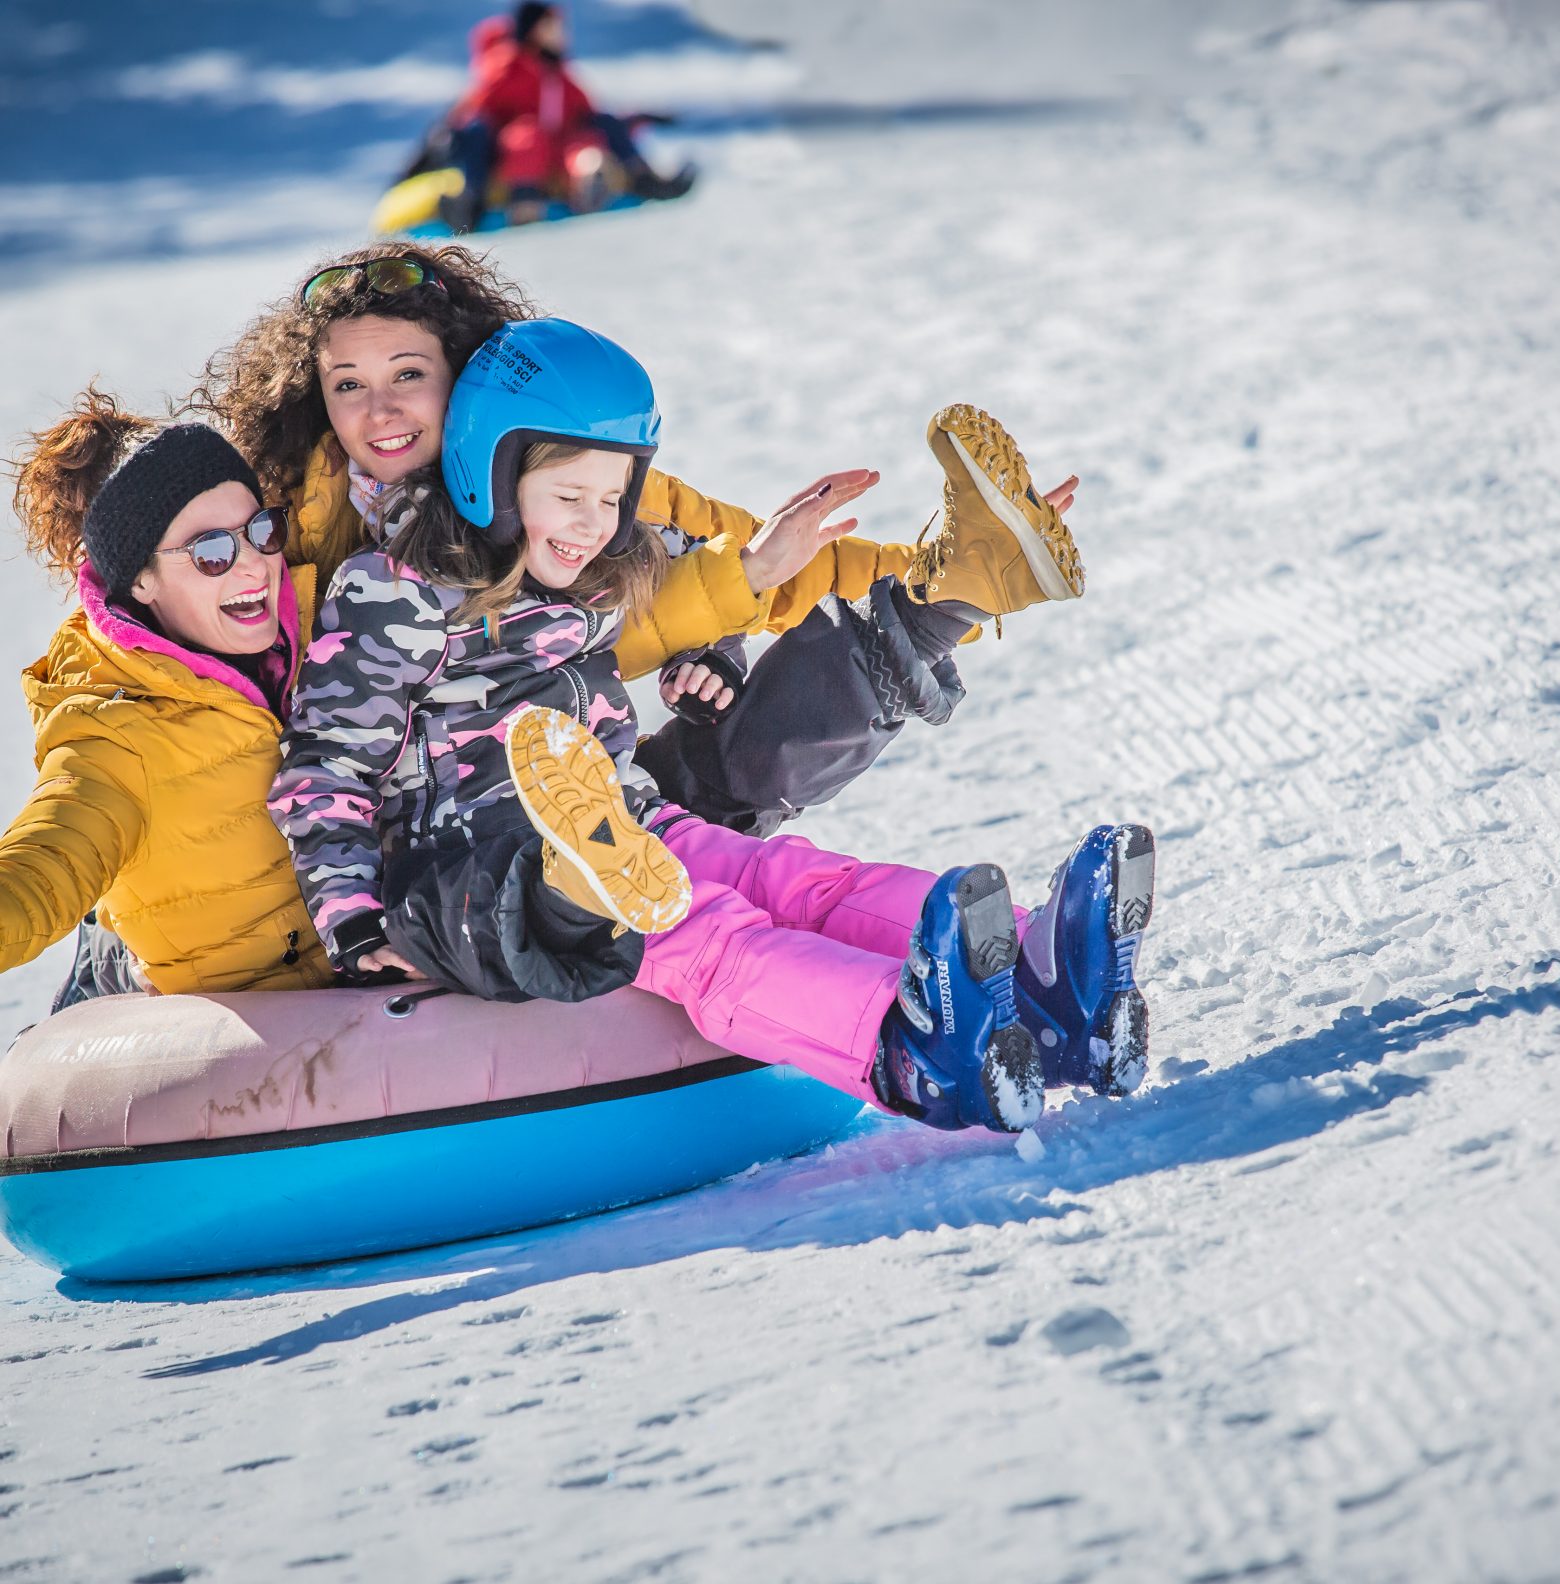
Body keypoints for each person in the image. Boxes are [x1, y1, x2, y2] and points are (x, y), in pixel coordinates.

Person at [271, 320, 1156, 1133]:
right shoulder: (389, 593)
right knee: (703, 934)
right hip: (488, 872)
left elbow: (712, 580)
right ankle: (905, 1043)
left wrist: (721, 658)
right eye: (568, 495)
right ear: (492, 475)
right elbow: (327, 769)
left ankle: (1048, 986)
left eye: (613, 498)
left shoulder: (599, 559)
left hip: (625, 821)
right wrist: (351, 921)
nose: (593, 522)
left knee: (794, 882)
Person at [191, 241, 1087, 840]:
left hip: (556, 788)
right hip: (392, 840)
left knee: (719, 748)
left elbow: (761, 557)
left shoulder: (570, 475)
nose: (379, 410)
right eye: (348, 384)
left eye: (410, 375)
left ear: (469, 376)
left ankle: (957, 592)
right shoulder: (285, 521)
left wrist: (919, 572)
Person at [1, 393, 334, 1006]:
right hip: (268, 1046)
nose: (253, 567)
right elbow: (44, 866)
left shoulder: (328, 623)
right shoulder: (114, 732)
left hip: (388, 988)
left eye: (262, 529)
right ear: (141, 582)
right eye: (211, 552)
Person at [419, 2, 694, 231]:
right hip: (512, 152)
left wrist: (635, 119)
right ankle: (486, 201)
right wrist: (443, 137)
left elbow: (588, 111)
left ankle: (612, 181)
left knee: (587, 141)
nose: (563, 33)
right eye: (553, 26)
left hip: (558, 147)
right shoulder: (508, 68)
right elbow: (474, 109)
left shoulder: (558, 74)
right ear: (535, 30)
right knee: (527, 135)